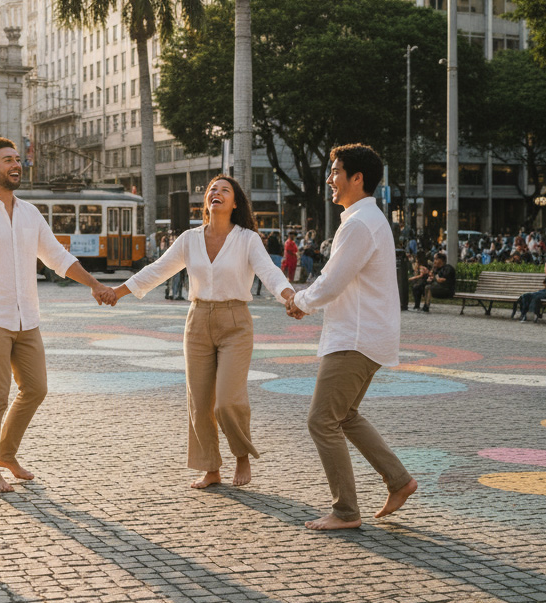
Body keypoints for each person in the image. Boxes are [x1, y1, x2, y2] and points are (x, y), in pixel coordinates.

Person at [0, 136, 116, 494]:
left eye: (17, 159)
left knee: (36, 388)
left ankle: (6, 454)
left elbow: (58, 258)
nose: (17, 164)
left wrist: (94, 284)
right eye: (8, 160)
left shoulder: (31, 213)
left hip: (26, 319)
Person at [111, 175, 294, 489]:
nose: (216, 193)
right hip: (197, 322)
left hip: (235, 323)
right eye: (212, 189)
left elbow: (269, 272)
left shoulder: (247, 239)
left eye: (224, 190)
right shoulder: (189, 239)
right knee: (199, 401)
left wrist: (289, 296)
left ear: (234, 203)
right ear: (206, 201)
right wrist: (118, 292)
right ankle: (210, 468)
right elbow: (158, 270)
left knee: (227, 401)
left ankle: (241, 455)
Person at [286, 144, 417, 531]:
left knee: (321, 421)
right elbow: (335, 280)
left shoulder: (359, 223)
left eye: (336, 172)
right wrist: (306, 301)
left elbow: (332, 282)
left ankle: (346, 511)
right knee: (344, 416)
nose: (330, 179)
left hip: (355, 339)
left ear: (357, 179)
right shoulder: (367, 219)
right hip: (365, 335)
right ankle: (399, 481)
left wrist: (300, 302)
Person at [513, 258, 546, 322]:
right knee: (526, 295)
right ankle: (523, 314)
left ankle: (532, 314)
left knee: (536, 297)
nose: (545, 268)